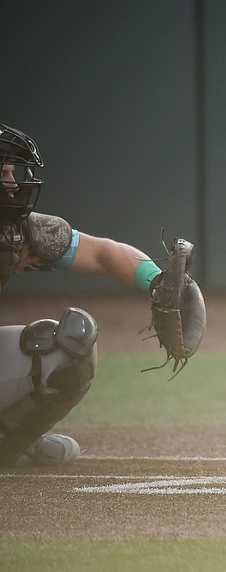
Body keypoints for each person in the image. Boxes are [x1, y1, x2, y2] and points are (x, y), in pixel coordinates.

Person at [0, 124, 204, 468]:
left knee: (70, 343)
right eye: (3, 172)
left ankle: (9, 443)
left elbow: (102, 254)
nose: (13, 183)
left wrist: (158, 283)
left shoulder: (15, 232)